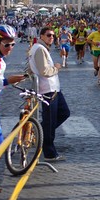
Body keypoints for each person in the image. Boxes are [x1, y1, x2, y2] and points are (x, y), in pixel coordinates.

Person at [0, 25, 27, 192]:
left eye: (13, 45)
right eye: (6, 45)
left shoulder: (0, 59)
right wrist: (6, 82)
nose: (10, 48)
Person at [28, 27, 71, 162]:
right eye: (48, 35)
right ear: (41, 35)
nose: (51, 37)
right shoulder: (39, 49)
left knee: (64, 112)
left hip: (54, 89)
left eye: (53, 35)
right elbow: (44, 71)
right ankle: (50, 153)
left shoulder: (40, 48)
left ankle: (39, 130)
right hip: (48, 90)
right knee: (50, 121)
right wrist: (56, 68)